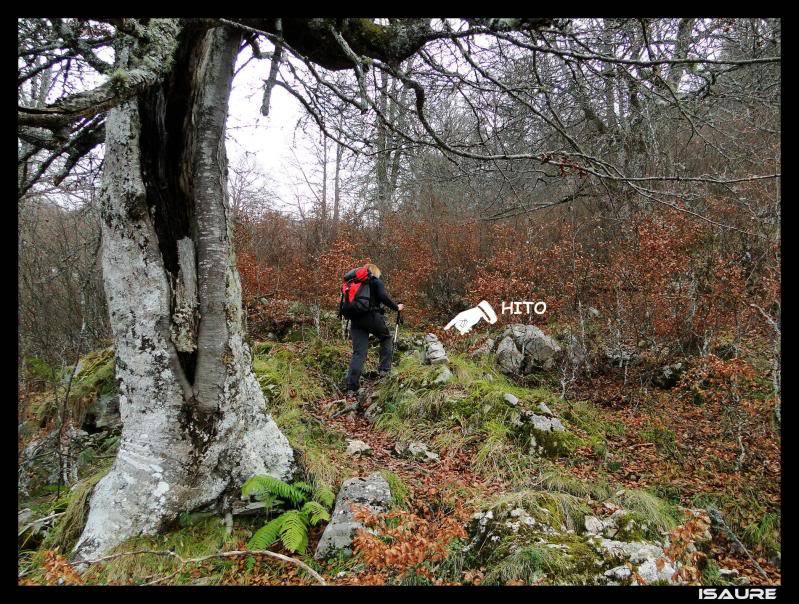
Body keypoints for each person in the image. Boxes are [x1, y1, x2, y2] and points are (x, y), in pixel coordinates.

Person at [344, 263, 404, 394]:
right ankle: (384, 370)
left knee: (359, 353)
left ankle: (351, 386)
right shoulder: (375, 281)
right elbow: (383, 297)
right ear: (375, 271)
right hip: (371, 317)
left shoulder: (353, 282)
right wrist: (396, 307)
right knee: (386, 338)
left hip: (355, 320)